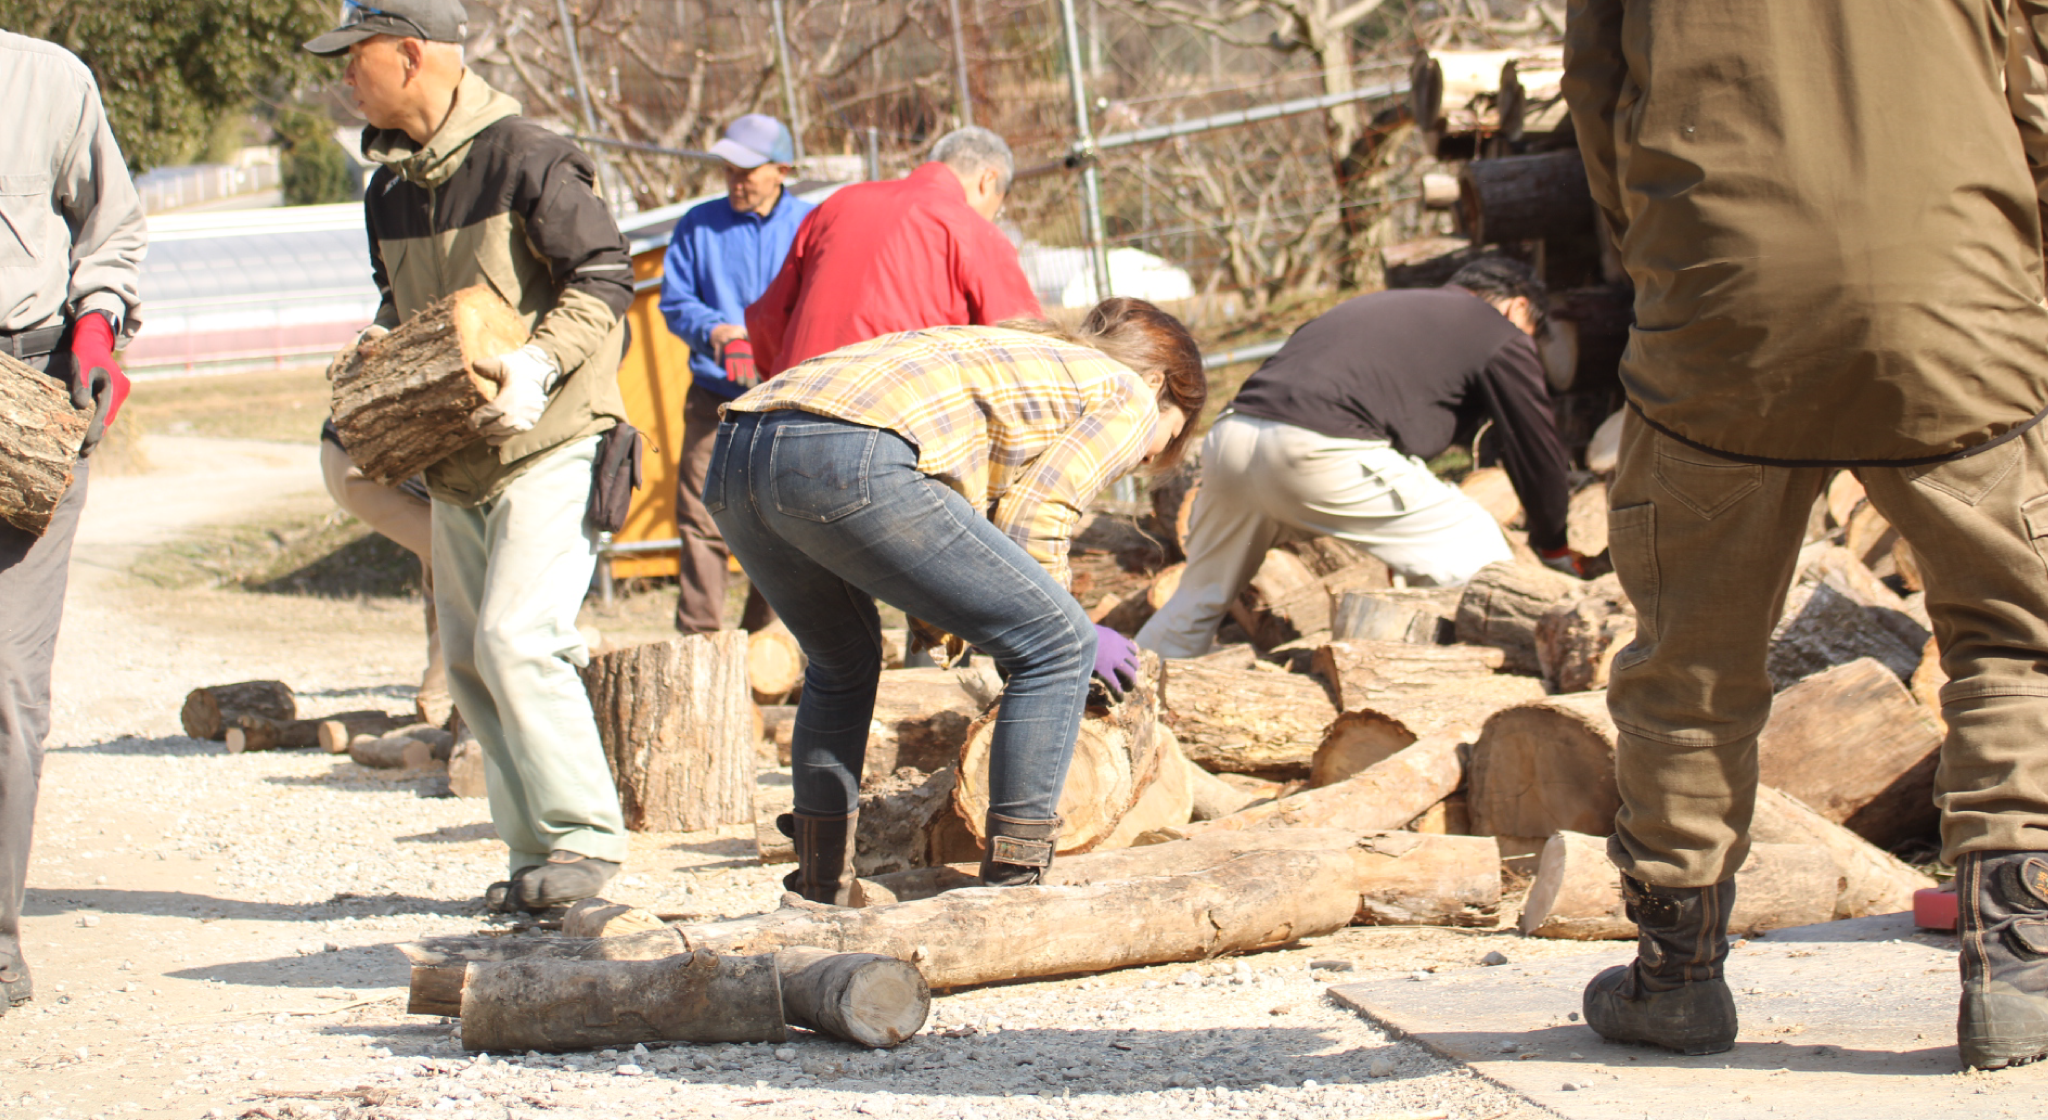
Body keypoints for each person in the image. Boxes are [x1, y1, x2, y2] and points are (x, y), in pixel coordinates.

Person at [1563, 0, 2048, 1067]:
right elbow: (2034, 82)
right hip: (1952, 296)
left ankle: (1674, 975)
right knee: (2014, 639)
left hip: (1720, 307)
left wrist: (1663, 265)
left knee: (1686, 657)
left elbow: (1597, 96)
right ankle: (2015, 961)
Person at [711, 299, 1205, 904]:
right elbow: (1037, 513)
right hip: (846, 448)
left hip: (739, 452)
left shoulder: (1015, 358)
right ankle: (1012, 891)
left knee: (842, 664)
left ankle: (821, 886)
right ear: (1157, 383)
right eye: (1169, 434)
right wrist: (1065, 635)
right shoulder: (1126, 392)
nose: (1153, 456)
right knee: (1056, 644)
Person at [305, 0, 633, 912]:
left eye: (353, 58)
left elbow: (607, 274)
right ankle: (536, 863)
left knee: (516, 638)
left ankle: (586, 845)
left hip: (554, 437)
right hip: (459, 459)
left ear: (410, 56)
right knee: (470, 661)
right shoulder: (389, 190)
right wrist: (374, 352)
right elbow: (401, 306)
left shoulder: (527, 154)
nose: (341, 77)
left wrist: (536, 361)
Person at [1137, 257, 1580, 659]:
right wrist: (1553, 543)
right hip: (1316, 447)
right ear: (1518, 309)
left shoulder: (1383, 308)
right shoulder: (1496, 330)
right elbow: (1535, 445)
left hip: (1233, 437)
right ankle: (1507, 674)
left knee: (1199, 596)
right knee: (1478, 550)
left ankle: (1112, 699)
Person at [0, 28, 146, 1017]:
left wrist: (97, 323)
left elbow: (113, 227)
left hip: (25, 396)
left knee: (6, 684)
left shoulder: (46, 79)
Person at [657, 113, 812, 636]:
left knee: (783, 524)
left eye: (747, 169)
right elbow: (675, 302)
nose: (735, 179)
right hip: (714, 396)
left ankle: (766, 642)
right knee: (701, 522)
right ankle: (697, 638)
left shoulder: (810, 225)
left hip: (786, 399)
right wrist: (718, 330)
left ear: (782, 169)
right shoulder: (698, 224)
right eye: (728, 168)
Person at [744, 125, 1042, 376]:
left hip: (790, 405)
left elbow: (768, 318)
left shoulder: (837, 204)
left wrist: (782, 378)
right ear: (988, 181)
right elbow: (1023, 348)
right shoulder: (971, 228)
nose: (993, 216)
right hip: (891, 418)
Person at [317, 418, 451, 726]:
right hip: (360, 462)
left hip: (362, 454)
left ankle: (442, 699)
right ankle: (442, 701)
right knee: (465, 563)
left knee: (449, 564)